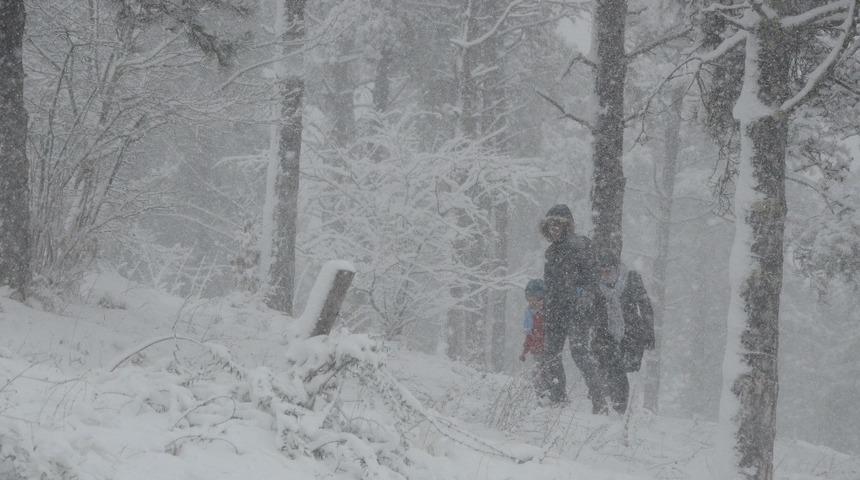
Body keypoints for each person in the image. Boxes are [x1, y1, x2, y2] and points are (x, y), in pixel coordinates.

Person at [539, 204, 608, 413]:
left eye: (558, 224)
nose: (554, 229)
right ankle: (557, 397)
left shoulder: (580, 245)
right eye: (551, 225)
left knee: (579, 352)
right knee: (551, 353)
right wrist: (546, 307)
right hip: (556, 311)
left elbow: (592, 276)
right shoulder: (551, 252)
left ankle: (599, 401)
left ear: (567, 225)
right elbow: (550, 285)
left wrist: (583, 297)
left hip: (577, 310)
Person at [594, 254, 655, 414]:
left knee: (624, 369)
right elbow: (593, 312)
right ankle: (616, 407)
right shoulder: (597, 286)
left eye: (609, 271)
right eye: (602, 272)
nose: (606, 275)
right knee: (612, 369)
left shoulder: (631, 279)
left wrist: (649, 332)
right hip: (607, 334)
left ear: (617, 269)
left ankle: (628, 409)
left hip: (631, 333)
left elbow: (645, 306)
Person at [519, 279, 547, 394]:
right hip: (536, 350)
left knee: (544, 371)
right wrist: (524, 352)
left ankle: (547, 394)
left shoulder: (546, 314)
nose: (533, 303)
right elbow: (529, 336)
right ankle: (539, 395)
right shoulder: (529, 315)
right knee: (537, 373)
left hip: (546, 350)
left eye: (536, 300)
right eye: (530, 300)